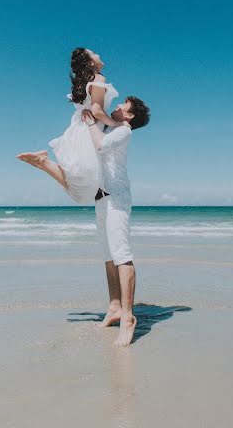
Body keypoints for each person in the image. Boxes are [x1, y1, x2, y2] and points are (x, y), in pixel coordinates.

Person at [81, 95, 150, 347]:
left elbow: (100, 145)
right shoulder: (111, 124)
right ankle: (114, 307)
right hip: (100, 197)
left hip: (117, 197)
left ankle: (128, 318)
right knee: (108, 256)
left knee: (121, 255)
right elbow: (95, 108)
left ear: (130, 115)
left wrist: (90, 123)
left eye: (124, 106)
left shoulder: (124, 131)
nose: (118, 106)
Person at [16, 48, 123, 203]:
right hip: (89, 128)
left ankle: (43, 161)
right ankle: (43, 162)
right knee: (83, 186)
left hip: (80, 126)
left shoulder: (87, 81)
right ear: (91, 62)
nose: (99, 54)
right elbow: (97, 111)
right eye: (94, 53)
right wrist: (118, 124)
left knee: (81, 183)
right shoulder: (99, 79)